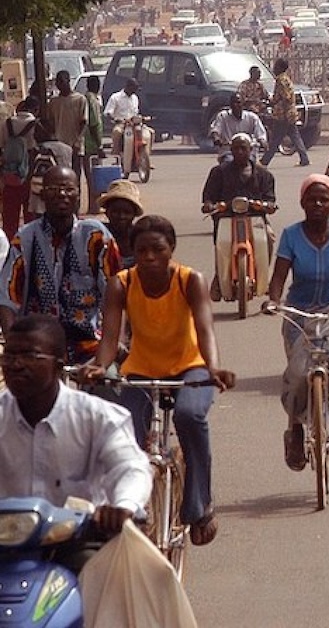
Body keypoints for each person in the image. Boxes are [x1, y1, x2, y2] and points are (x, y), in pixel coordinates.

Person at [85, 214, 236, 547]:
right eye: (142, 251)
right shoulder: (121, 283)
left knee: (189, 416)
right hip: (142, 368)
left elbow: (205, 329)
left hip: (191, 367)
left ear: (171, 249)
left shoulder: (189, 280)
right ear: (132, 252)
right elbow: (110, 338)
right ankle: (132, 502)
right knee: (125, 430)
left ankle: (200, 505)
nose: (149, 257)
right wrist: (100, 366)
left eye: (157, 249)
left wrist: (214, 368)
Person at [0, 315, 152, 552]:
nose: (16, 365)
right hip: (9, 548)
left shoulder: (99, 417)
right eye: (9, 356)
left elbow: (130, 467)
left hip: (79, 546)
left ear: (58, 365)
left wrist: (123, 506)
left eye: (30, 356)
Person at [265, 174, 329, 469]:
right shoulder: (291, 235)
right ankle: (296, 431)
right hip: (300, 310)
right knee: (298, 375)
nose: (318, 204)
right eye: (312, 199)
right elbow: (278, 277)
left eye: (324, 199)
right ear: (302, 203)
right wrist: (274, 301)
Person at [0, 166, 121, 364]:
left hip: (90, 344)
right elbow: (7, 298)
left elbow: (116, 295)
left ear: (77, 194)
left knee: (110, 384)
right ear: (42, 193)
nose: (61, 194)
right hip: (38, 344)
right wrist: (15, 347)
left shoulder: (96, 236)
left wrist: (113, 345)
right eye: (53, 189)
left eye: (68, 189)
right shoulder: (25, 237)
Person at [201, 132, 277, 302]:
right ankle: (219, 278)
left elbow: (271, 200)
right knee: (222, 244)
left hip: (255, 217)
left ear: (250, 150)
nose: (240, 152)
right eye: (236, 149)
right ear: (231, 150)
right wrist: (210, 205)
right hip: (226, 217)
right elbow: (208, 198)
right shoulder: (218, 172)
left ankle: (264, 273)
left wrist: (265, 206)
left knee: (269, 238)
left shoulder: (264, 175)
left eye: (243, 148)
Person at [259, 58, 310, 167]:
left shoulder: (281, 80)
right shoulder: (286, 79)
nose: (274, 68)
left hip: (283, 115)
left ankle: (265, 160)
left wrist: (273, 102)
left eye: (276, 66)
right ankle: (304, 158)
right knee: (295, 137)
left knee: (276, 139)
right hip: (289, 113)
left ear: (280, 68)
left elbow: (285, 97)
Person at [0, 102, 38, 238]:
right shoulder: (35, 124)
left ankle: (10, 244)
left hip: (10, 173)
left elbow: (1, 145)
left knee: (10, 216)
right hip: (29, 172)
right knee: (30, 215)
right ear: (34, 109)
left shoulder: (7, 123)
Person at [47, 70, 88, 184]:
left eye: (62, 82)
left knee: (75, 177)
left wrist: (78, 141)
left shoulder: (80, 99)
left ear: (68, 81)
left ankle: (77, 201)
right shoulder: (53, 102)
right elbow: (50, 123)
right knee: (60, 177)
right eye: (57, 82)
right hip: (59, 147)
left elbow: (84, 122)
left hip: (74, 145)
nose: (59, 85)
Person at [98, 178, 144, 269]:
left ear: (134, 214)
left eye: (127, 212)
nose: (121, 216)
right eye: (115, 211)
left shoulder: (141, 237)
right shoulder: (98, 235)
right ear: (107, 212)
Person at [208, 93, 267, 162]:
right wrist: (216, 138)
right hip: (228, 152)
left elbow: (260, 134)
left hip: (248, 153)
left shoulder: (252, 117)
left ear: (243, 104)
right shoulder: (222, 116)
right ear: (230, 105)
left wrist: (262, 142)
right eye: (233, 103)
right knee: (227, 165)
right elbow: (215, 130)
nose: (236, 105)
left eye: (238, 102)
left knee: (257, 169)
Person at [83, 74, 105, 212]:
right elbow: (94, 124)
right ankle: (94, 206)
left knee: (89, 175)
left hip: (85, 143)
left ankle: (93, 205)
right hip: (91, 144)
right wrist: (99, 145)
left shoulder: (85, 98)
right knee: (94, 176)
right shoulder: (93, 101)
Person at [104, 77, 140, 156]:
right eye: (133, 88)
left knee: (150, 133)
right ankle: (115, 154)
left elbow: (135, 113)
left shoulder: (135, 98)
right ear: (128, 86)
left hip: (133, 124)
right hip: (121, 124)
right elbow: (108, 113)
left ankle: (143, 158)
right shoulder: (115, 97)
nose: (134, 91)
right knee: (117, 132)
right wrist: (115, 119)